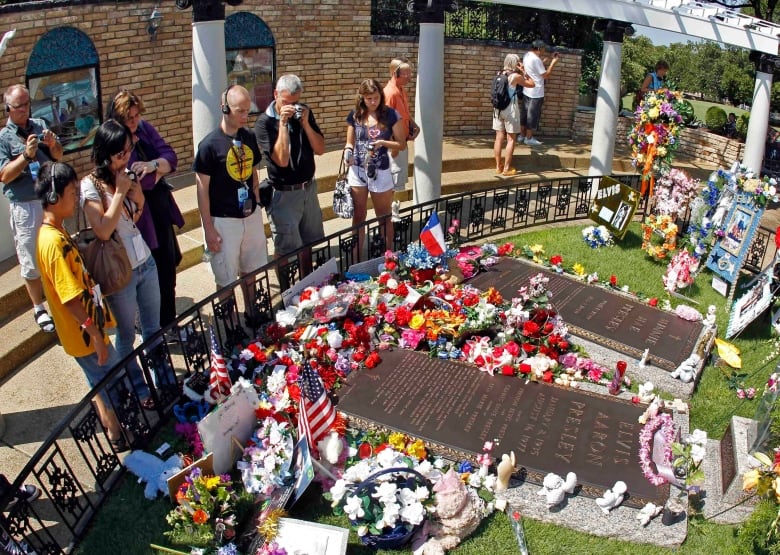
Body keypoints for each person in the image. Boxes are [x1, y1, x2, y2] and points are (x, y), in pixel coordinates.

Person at [34, 161, 126, 451]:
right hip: (84, 335)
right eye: (72, 193)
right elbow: (69, 297)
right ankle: (120, 433)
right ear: (53, 198)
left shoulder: (56, 233)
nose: (76, 199)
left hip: (84, 332)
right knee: (111, 383)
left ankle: (114, 433)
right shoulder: (52, 243)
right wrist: (96, 336)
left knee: (98, 383)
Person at [81, 120, 158, 410]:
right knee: (127, 335)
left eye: (129, 150)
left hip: (144, 262)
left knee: (153, 327)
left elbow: (134, 216)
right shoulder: (90, 186)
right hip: (118, 273)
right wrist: (121, 191)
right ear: (105, 154)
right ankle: (139, 390)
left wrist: (135, 193)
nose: (127, 157)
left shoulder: (124, 174)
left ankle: (162, 381)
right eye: (120, 153)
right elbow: (102, 229)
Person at [107, 89, 183, 331]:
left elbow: (171, 156)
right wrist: (158, 172)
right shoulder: (115, 141)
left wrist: (152, 166)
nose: (135, 121)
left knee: (167, 266)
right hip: (139, 217)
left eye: (137, 115)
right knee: (150, 273)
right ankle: (152, 327)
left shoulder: (144, 129)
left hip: (159, 209)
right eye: (129, 117)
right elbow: (138, 182)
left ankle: (169, 323)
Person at [194, 85, 268, 327]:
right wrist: (208, 228)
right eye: (240, 111)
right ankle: (230, 324)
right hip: (224, 218)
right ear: (224, 108)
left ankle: (252, 312)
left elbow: (254, 171)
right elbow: (202, 189)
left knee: (251, 267)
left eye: (248, 111)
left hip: (249, 213)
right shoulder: (209, 146)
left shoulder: (248, 137)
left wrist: (255, 200)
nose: (245, 117)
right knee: (225, 277)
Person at [0, 84, 64, 333]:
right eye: (19, 106)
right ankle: (39, 307)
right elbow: (4, 175)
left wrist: (53, 144)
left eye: (27, 104)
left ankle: (59, 299)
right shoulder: (3, 138)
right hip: (25, 205)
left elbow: (58, 156)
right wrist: (26, 157)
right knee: (30, 260)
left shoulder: (40, 124)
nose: (25, 110)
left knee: (55, 251)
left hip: (49, 200)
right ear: (8, 108)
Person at [254, 74, 325, 277]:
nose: (292, 107)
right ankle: (287, 291)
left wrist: (306, 124)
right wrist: (283, 124)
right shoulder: (264, 123)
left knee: (310, 242)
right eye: (287, 102)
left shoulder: (303, 113)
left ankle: (308, 282)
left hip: (308, 189)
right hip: (284, 195)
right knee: (286, 248)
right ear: (276, 94)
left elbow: (320, 149)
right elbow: (282, 160)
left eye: (296, 102)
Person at [344, 78, 406, 254]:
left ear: (381, 96)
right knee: (358, 215)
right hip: (357, 170)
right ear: (362, 97)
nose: (372, 102)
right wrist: (347, 154)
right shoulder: (355, 115)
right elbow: (349, 142)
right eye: (368, 98)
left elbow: (401, 144)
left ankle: (388, 258)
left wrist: (383, 143)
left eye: (376, 98)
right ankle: (355, 260)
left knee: (383, 216)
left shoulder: (391, 115)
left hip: (380, 169)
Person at [492, 54, 534, 176]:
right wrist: (524, 70)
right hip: (510, 110)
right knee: (511, 139)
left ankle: (497, 167)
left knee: (498, 138)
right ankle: (506, 169)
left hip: (497, 109)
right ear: (515, 63)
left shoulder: (499, 73)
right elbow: (531, 84)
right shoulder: (515, 76)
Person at [383, 58, 420, 191]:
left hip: (401, 144)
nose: (409, 77)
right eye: (406, 74)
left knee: (396, 186)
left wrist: (414, 125)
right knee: (390, 185)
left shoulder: (401, 90)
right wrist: (394, 147)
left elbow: (404, 114)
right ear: (394, 73)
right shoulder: (390, 93)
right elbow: (384, 122)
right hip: (394, 148)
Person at [520, 40, 560, 147]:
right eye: (542, 49)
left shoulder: (527, 55)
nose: (544, 50)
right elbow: (545, 75)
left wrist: (543, 62)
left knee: (524, 115)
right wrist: (553, 63)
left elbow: (533, 69)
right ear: (538, 49)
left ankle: (521, 136)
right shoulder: (536, 60)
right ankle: (528, 138)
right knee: (532, 116)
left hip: (526, 90)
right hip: (536, 92)